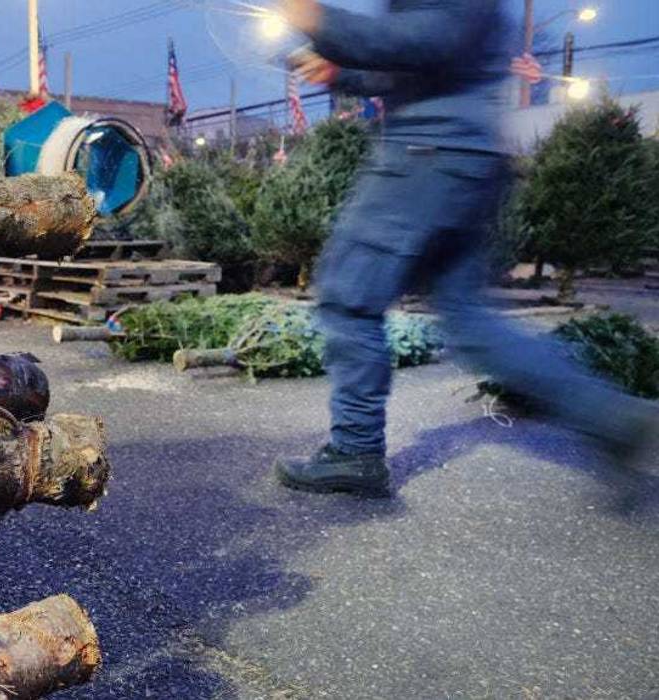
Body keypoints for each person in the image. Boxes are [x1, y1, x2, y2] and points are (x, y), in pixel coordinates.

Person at [272, 0, 655, 498]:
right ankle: (610, 418)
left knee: (348, 297)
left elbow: (424, 39)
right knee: (469, 320)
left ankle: (355, 451)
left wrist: (318, 19)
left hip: (425, 156)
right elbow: (414, 64)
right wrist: (341, 72)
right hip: (463, 158)